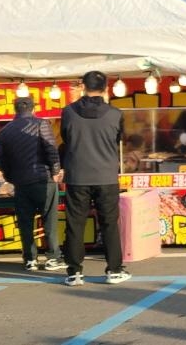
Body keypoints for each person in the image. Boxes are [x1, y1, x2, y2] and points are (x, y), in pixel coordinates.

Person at [60, 70, 130, 286]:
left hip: (77, 175)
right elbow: (120, 139)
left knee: (75, 224)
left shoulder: (68, 112)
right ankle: (114, 270)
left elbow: (65, 137)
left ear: (82, 86)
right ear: (106, 88)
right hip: (106, 175)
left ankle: (74, 273)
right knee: (109, 223)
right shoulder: (115, 114)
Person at [0, 96, 65, 271]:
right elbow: (51, 150)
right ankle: (53, 257)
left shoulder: (5, 132)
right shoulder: (42, 124)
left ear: (15, 110)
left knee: (25, 222)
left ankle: (30, 259)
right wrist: (55, 171)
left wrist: (11, 177)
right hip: (44, 179)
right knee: (49, 220)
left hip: (21, 183)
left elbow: (1, 160)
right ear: (33, 109)